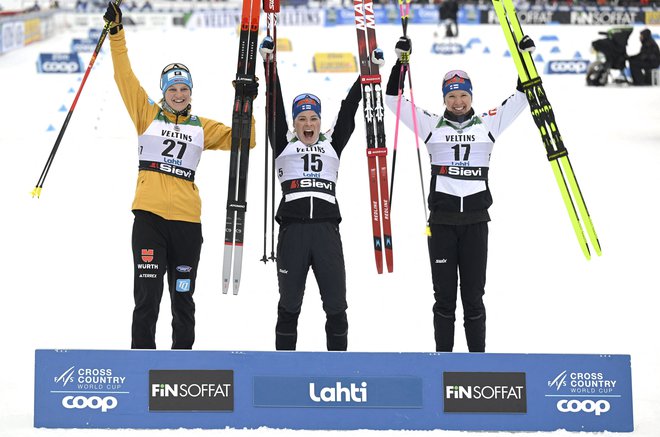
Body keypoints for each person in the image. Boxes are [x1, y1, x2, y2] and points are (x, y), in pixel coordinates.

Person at [103, 2, 257, 349]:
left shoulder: (202, 127)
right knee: (147, 297)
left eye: (184, 88)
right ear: (164, 92)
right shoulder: (147, 114)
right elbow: (123, 76)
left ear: (190, 91)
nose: (178, 94)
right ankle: (142, 364)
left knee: (183, 300)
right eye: (172, 89)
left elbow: (246, 139)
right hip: (150, 220)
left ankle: (180, 366)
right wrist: (117, 33)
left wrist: (246, 102)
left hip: (188, 223)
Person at [384, 35, 534, 353]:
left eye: (463, 95)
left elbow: (523, 97)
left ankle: (476, 364)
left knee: (474, 299)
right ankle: (443, 363)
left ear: (470, 95)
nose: (458, 102)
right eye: (452, 96)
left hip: (476, 223)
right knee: (444, 300)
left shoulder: (489, 123)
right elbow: (394, 101)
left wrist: (525, 58)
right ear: (444, 98)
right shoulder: (430, 125)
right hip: (441, 224)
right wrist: (402, 62)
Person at [259, 36, 382, 351]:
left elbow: (349, 107)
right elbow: (273, 105)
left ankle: (337, 368)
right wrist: (269, 64)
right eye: (302, 118)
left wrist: (369, 72)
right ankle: (284, 369)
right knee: (289, 305)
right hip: (292, 233)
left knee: (337, 307)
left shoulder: (332, 142)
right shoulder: (283, 143)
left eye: (313, 117)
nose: (308, 123)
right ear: (295, 123)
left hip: (326, 232)